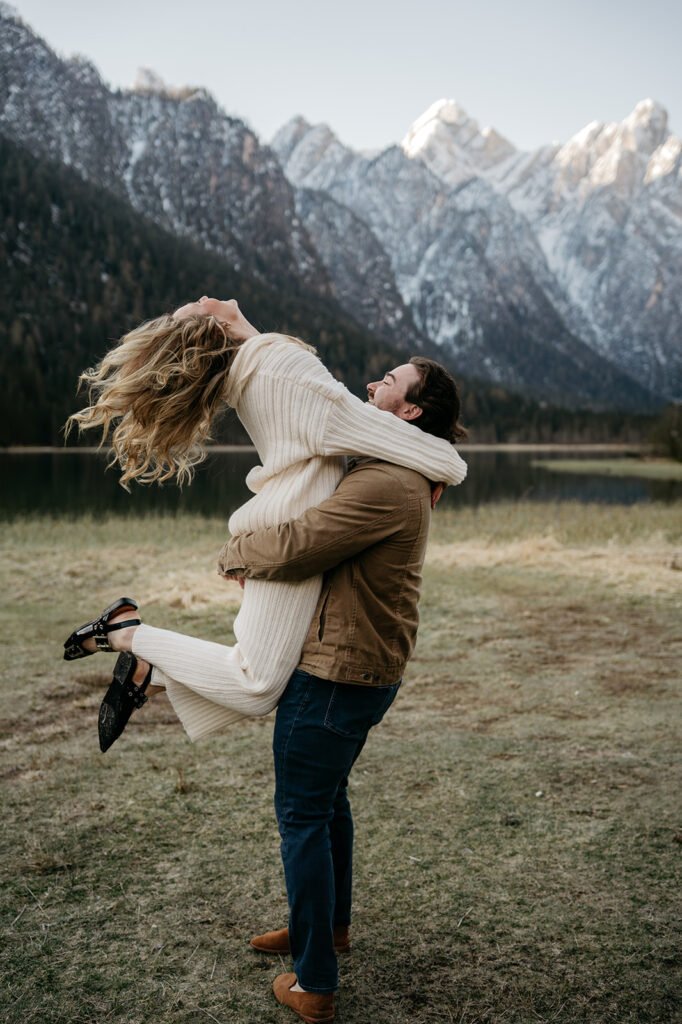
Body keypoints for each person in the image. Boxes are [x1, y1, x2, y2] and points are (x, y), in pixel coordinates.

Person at [63, 298, 467, 750]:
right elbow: (374, 427)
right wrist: (449, 466)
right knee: (255, 686)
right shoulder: (281, 368)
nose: (219, 299)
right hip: (287, 529)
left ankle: (150, 673)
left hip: (286, 520)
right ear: (216, 323)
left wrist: (243, 328)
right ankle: (127, 633)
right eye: (201, 306)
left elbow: (311, 392)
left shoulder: (260, 370)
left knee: (261, 679)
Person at [216, 355, 466, 1023]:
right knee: (328, 808)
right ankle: (327, 931)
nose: (371, 385)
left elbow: (303, 542)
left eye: (389, 382)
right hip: (362, 670)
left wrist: (233, 554)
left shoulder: (388, 480)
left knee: (302, 817)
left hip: (335, 674)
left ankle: (315, 985)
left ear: (410, 411)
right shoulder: (399, 470)